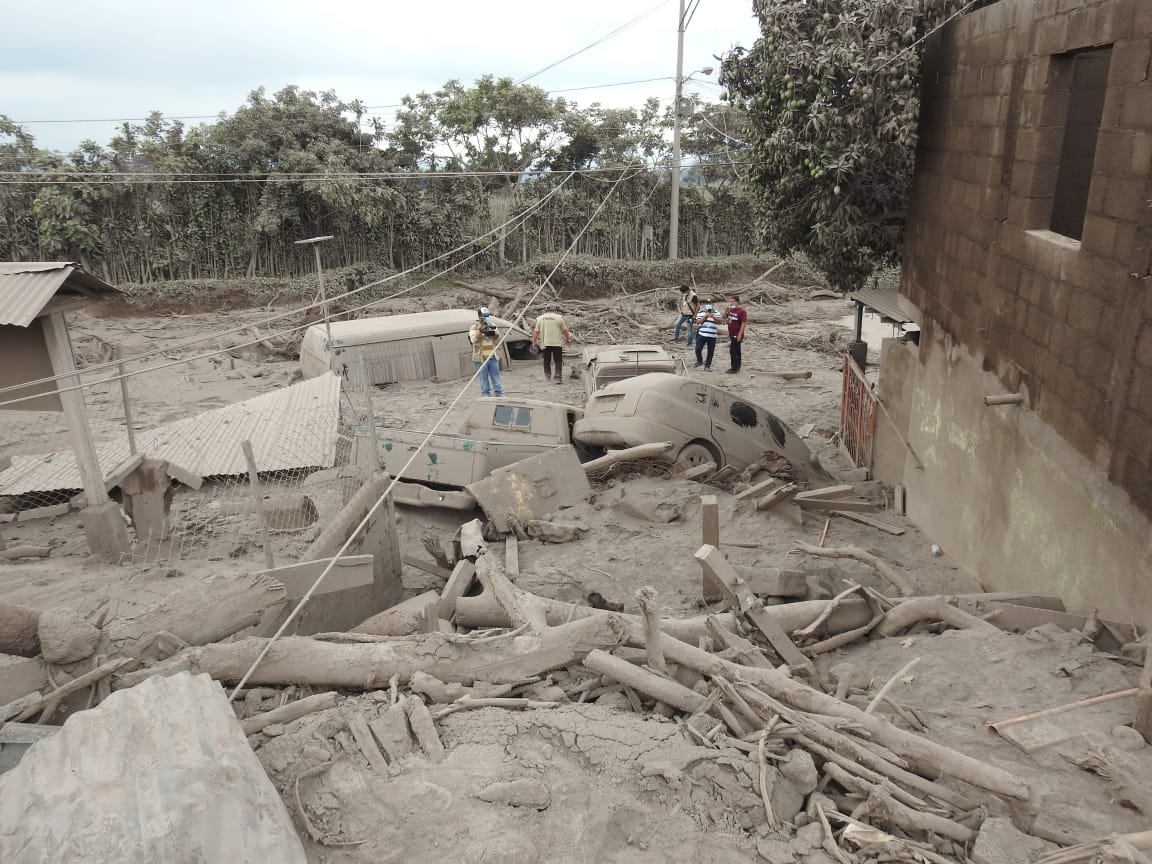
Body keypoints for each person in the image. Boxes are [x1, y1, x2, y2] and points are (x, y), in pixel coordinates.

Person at [532, 302, 572, 383]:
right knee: (558, 360)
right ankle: (558, 378)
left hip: (545, 343)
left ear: (546, 310)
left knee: (546, 360)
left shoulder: (540, 318)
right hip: (557, 343)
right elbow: (565, 330)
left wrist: (534, 342)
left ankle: (547, 377)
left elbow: (536, 332)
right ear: (555, 310)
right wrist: (568, 339)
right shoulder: (559, 318)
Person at [468, 307, 503, 397]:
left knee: (496, 378)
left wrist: (493, 332)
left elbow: (498, 336)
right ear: (479, 316)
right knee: (483, 379)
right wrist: (480, 331)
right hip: (481, 359)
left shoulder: (492, 324)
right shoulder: (474, 327)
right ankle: (485, 396)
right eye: (484, 316)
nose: (485, 318)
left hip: (492, 357)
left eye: (487, 316)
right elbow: (473, 340)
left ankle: (499, 395)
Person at [693, 299, 721, 371]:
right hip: (702, 334)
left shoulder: (716, 312)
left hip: (712, 335)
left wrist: (713, 317)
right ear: (705, 304)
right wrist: (705, 316)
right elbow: (698, 322)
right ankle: (700, 361)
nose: (709, 304)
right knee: (698, 349)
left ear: (712, 304)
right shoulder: (701, 312)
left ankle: (707, 365)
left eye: (710, 303)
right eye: (707, 303)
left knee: (710, 351)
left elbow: (719, 322)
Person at [725, 294, 748, 374]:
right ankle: (737, 366)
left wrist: (739, 334)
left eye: (733, 301)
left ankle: (734, 368)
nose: (731, 303)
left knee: (733, 351)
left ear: (737, 302)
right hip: (731, 333)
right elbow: (726, 319)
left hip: (737, 334)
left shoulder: (742, 311)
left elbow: (744, 323)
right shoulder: (731, 310)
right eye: (730, 301)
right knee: (737, 350)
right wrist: (726, 312)